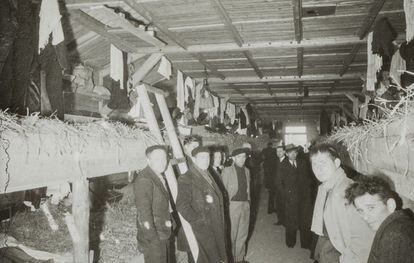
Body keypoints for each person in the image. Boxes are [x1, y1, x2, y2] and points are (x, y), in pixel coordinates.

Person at [309, 143, 374, 263]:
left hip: (340, 253)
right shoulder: (324, 187)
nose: (318, 169)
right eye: (315, 164)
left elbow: (362, 238)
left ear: (337, 163)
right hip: (327, 248)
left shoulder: (348, 190)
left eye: (323, 163)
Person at [345, 176, 414, 263]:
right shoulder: (396, 226)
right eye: (361, 211)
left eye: (371, 208)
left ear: (390, 205)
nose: (365, 217)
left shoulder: (394, 234)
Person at [176, 146, 227, 263]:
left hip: (214, 227)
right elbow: (182, 205)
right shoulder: (186, 178)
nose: (206, 160)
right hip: (202, 231)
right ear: (194, 159)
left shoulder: (207, 174)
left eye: (208, 157)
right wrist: (199, 221)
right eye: (202, 157)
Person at [132, 145, 173, 263]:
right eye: (157, 159)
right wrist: (153, 240)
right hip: (154, 238)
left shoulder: (157, 176)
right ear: (148, 160)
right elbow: (144, 214)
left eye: (164, 158)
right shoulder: (144, 179)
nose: (162, 162)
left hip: (162, 232)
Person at [276, 144, 313, 249]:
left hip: (304, 197)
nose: (293, 154)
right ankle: (290, 242)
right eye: (291, 152)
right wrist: (286, 195)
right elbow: (278, 183)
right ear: (286, 154)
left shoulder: (303, 163)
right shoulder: (282, 165)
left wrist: (308, 191)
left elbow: (308, 179)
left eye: (295, 152)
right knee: (291, 220)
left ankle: (305, 243)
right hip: (290, 198)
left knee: (305, 220)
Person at [222, 147, 251, 263]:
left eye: (244, 157)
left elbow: (248, 189)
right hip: (233, 205)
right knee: (232, 234)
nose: (242, 159)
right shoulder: (227, 170)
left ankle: (239, 259)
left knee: (243, 233)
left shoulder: (247, 170)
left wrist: (248, 202)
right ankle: (231, 259)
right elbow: (224, 191)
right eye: (239, 157)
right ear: (233, 158)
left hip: (245, 205)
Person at [261, 141, 278, 214]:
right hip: (273, 173)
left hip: (267, 172)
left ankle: (270, 209)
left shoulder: (264, 150)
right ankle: (272, 208)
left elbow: (262, 158)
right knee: (274, 193)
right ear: (271, 145)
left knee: (271, 192)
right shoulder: (274, 151)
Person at [274, 145, 287, 225]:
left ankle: (285, 221)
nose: (278, 153)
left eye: (280, 151)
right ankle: (280, 220)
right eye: (277, 151)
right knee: (278, 205)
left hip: (284, 188)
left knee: (285, 205)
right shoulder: (276, 161)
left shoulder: (287, 161)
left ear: (284, 152)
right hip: (277, 188)